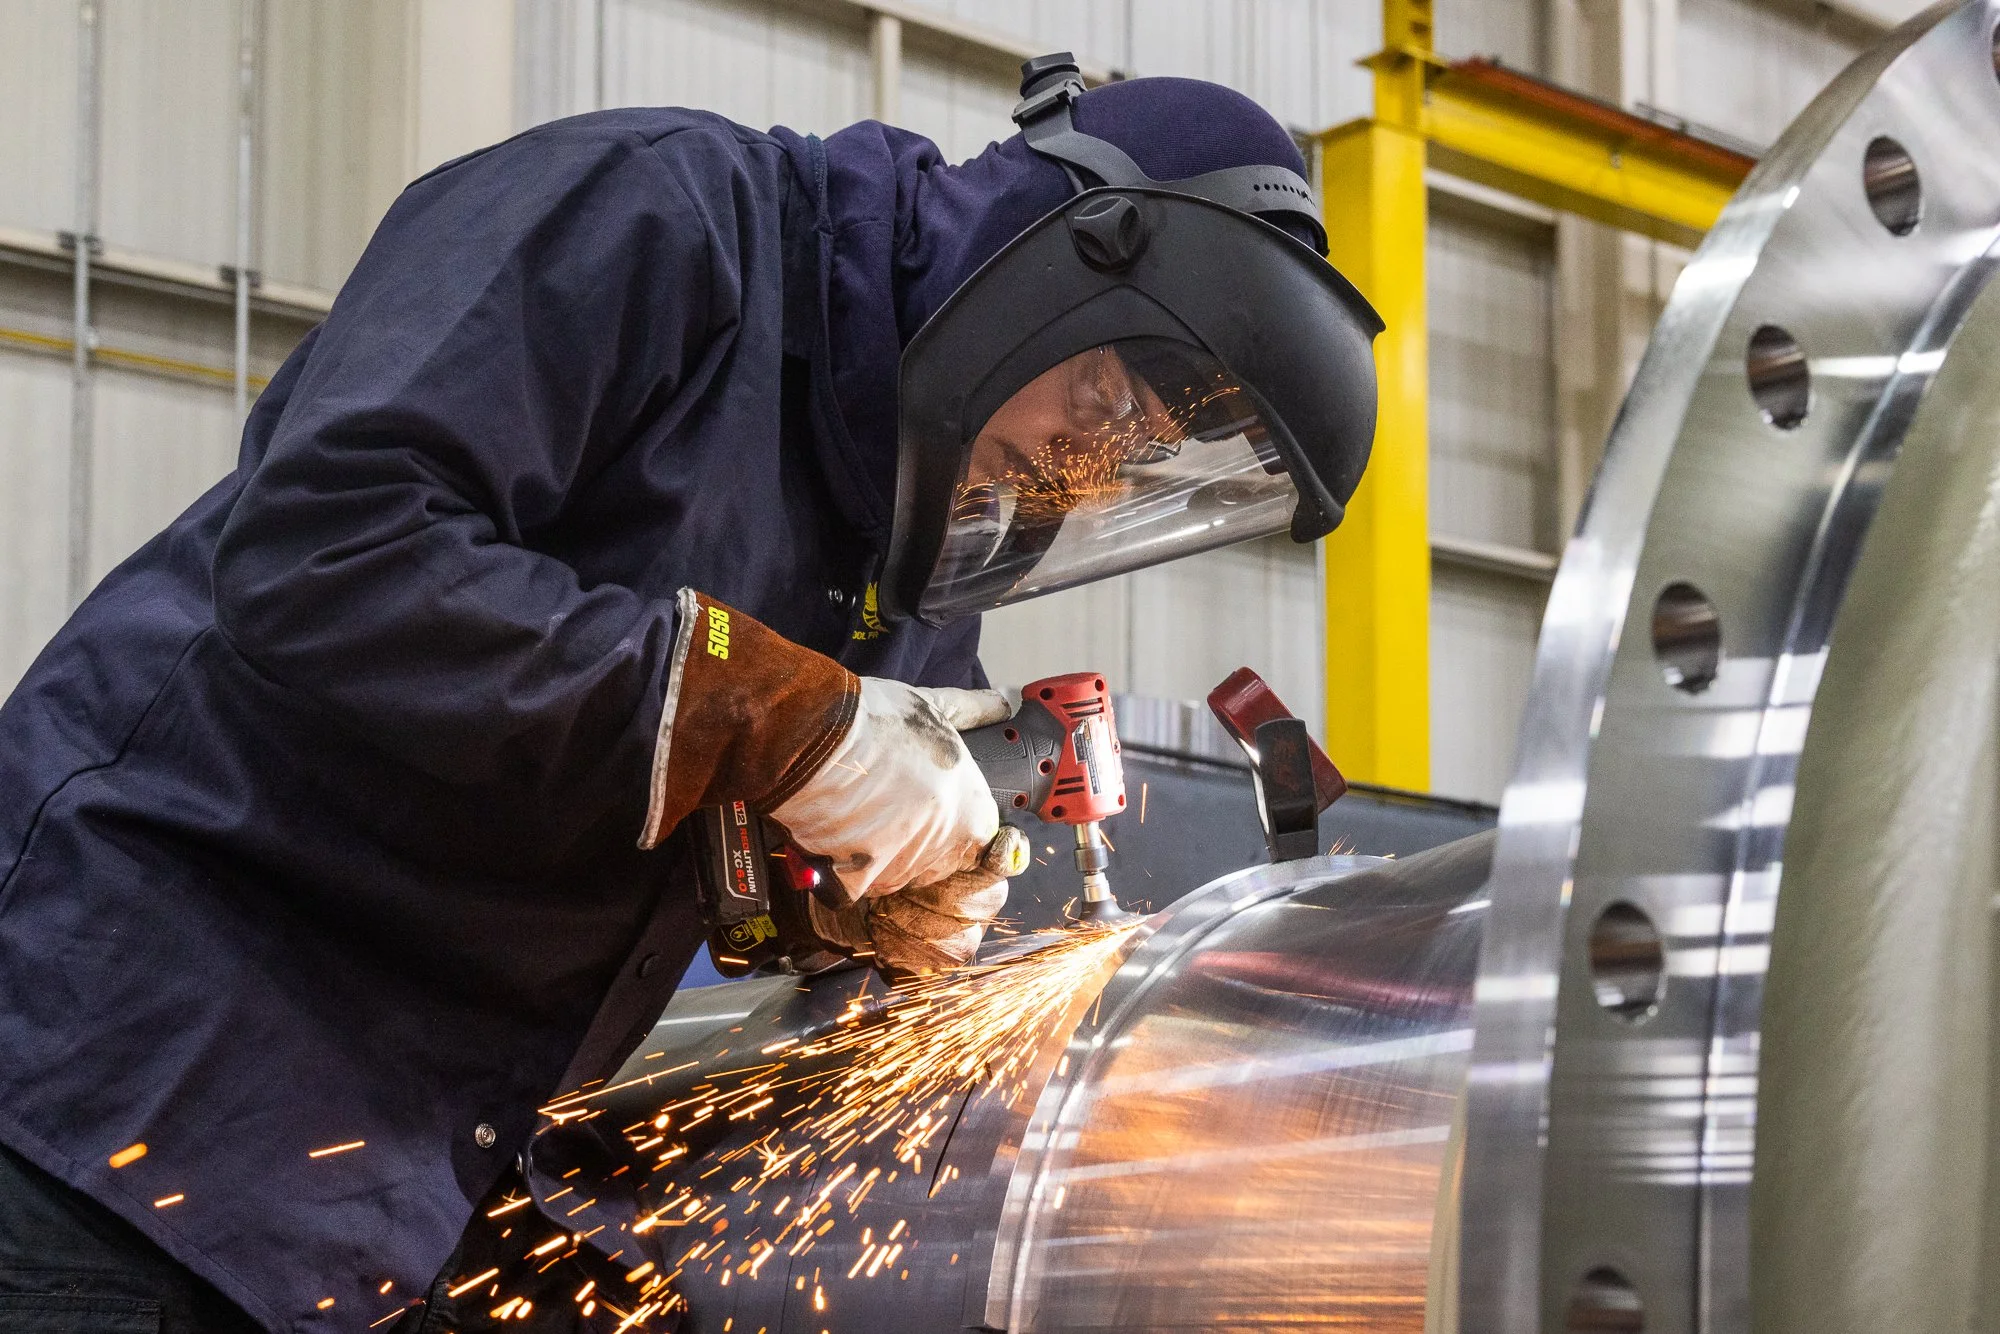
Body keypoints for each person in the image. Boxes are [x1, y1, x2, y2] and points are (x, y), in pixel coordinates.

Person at [0, 53, 1378, 1333]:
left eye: (1123, 464)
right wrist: (773, 716)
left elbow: (700, 836)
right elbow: (328, 549)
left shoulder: (915, 557)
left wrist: (852, 905)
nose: (1073, 471)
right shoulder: (660, 221)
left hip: (375, 1186)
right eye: (1094, 405)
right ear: (1051, 263)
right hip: (118, 1076)